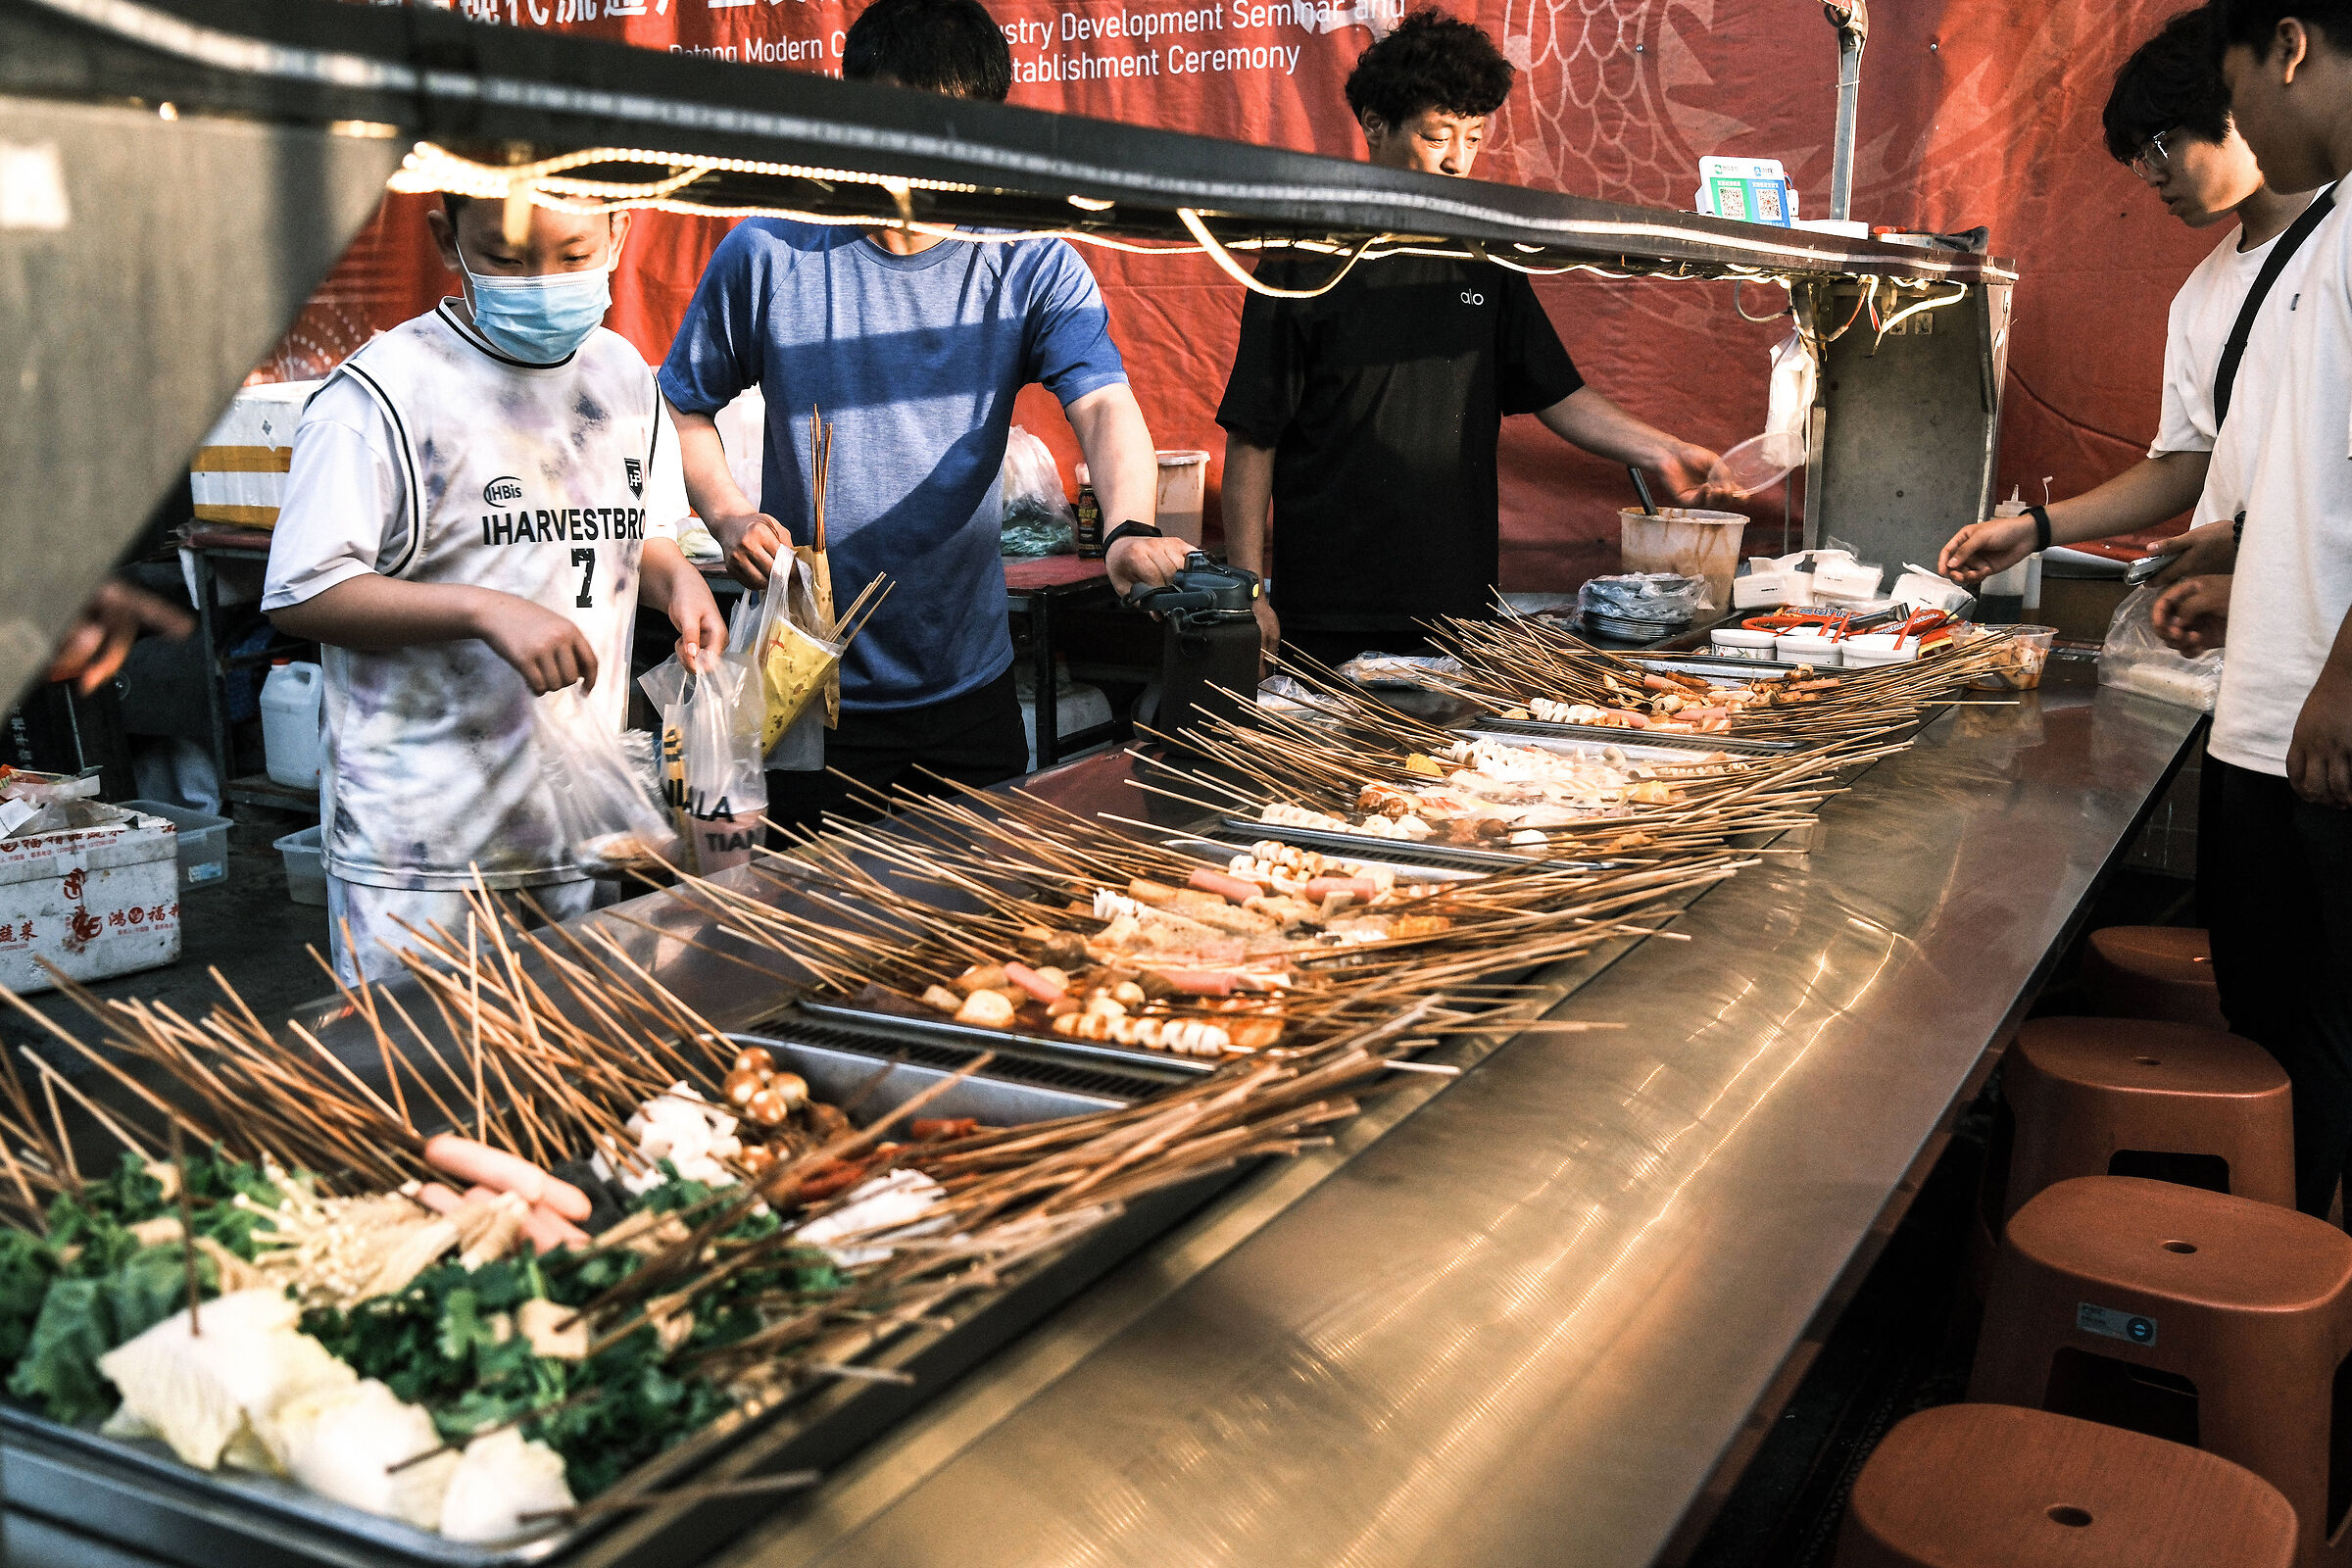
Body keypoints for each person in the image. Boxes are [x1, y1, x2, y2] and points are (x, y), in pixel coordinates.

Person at [659, 0, 1193, 836]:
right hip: (810, 693)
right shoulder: (771, 251)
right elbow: (681, 407)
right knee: (815, 940)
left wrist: (1127, 526)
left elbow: (1102, 404)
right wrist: (727, 514)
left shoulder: (1028, 258)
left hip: (968, 685)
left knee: (981, 934)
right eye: (890, 125)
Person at [264, 197, 723, 983]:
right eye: (507, 261)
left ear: (619, 233)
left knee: (573, 1088)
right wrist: (481, 610)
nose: (543, 283)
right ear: (449, 241)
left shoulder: (620, 377)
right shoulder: (382, 394)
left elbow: (636, 538)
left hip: (580, 837)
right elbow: (305, 592)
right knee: (422, 1092)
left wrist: (676, 577)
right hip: (423, 860)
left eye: (573, 256)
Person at [1214, 10, 1732, 669]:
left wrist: (1664, 449)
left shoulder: (1485, 257)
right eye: (1436, 137)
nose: (1458, 160)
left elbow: (1557, 393)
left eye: (1474, 136)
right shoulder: (1302, 260)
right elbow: (1254, 436)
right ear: (1375, 124)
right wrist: (1247, 589)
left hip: (1459, 609)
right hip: (1330, 607)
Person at [2152, 0, 2352, 1217]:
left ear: (2288, 48)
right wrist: (2250, 585)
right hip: (2279, 702)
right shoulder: (2330, 237)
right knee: (2274, 1018)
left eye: (2234, 88)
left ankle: (2290, 1289)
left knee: (2315, 1035)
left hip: (2322, 721)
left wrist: (2342, 672)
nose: (2245, 125)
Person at [1938, 6, 2315, 588]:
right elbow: (2186, 463)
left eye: (2161, 145)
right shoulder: (2198, 298)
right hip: (2238, 619)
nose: (2153, 176)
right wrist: (2035, 528)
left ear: (2243, 97)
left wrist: (2247, 536)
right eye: (2140, 160)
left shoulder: (2336, 245)